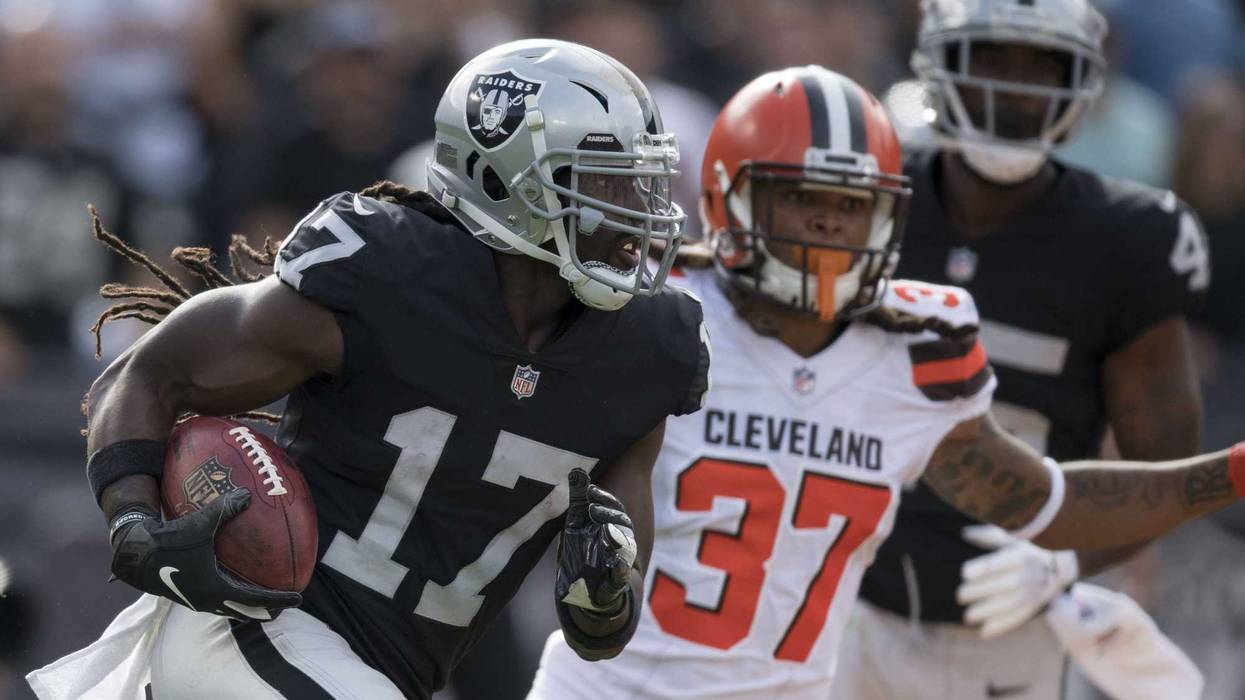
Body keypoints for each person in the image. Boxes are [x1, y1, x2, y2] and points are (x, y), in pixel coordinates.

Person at [26, 39, 711, 700]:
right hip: (249, 627)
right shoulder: (388, 276)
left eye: (644, 183)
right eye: (607, 181)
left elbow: (601, 633)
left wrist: (602, 594)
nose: (638, 212)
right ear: (506, 177)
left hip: (381, 677)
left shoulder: (647, 351)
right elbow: (148, 374)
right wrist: (134, 521)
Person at [527, 63, 1234, 700]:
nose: (828, 226)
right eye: (802, 197)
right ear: (729, 200)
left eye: (851, 205)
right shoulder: (661, 311)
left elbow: (1048, 505)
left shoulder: (915, 351)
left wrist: (1229, 473)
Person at [846, 0, 1210, 697]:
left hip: (1004, 619)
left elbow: (1166, 472)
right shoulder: (869, 198)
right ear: (940, 65)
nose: (1014, 88)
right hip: (838, 594)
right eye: (990, 61)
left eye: (1039, 65)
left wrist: (1065, 559)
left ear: (1078, 80)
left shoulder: (1126, 238)